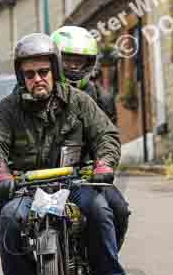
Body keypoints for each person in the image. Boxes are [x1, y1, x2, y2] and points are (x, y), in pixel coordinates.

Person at [0, 32, 133, 275]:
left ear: (54, 71)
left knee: (102, 210)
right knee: (6, 219)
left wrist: (103, 163)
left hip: (74, 183)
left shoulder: (79, 101)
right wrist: (0, 173)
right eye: (30, 74)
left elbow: (106, 135)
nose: (37, 79)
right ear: (21, 77)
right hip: (27, 188)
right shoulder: (9, 108)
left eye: (43, 72)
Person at [51, 26, 130, 250]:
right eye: (67, 60)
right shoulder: (40, 93)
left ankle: (105, 260)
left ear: (89, 63)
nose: (73, 66)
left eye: (79, 61)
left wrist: (102, 164)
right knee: (1, 217)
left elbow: (107, 137)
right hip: (42, 176)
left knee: (119, 210)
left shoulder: (101, 98)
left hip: (86, 177)